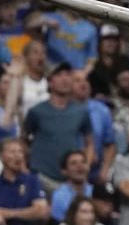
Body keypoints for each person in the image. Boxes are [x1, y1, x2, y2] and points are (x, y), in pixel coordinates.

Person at [23, 63, 95, 192]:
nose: (65, 79)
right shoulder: (37, 112)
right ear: (50, 82)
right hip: (42, 176)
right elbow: (23, 139)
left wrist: (85, 167)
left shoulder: (81, 112)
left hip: (70, 180)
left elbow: (89, 143)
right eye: (59, 75)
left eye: (68, 75)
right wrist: (26, 167)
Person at [50, 150, 93, 223]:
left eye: (83, 162)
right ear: (64, 171)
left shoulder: (94, 191)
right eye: (73, 163)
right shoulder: (59, 196)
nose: (80, 166)